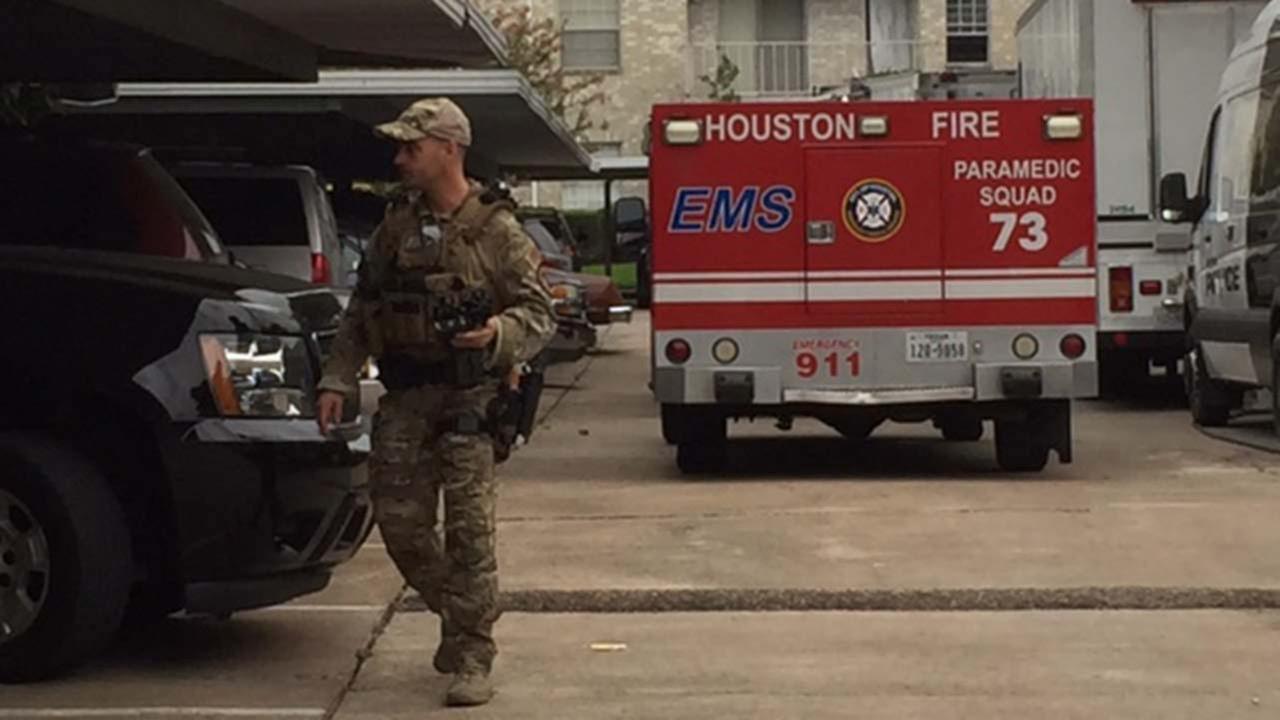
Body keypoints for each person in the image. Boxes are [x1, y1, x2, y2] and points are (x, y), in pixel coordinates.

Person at [315, 97, 555, 707]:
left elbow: (539, 314)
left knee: (471, 536)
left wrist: (497, 335)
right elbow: (361, 309)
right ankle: (461, 616)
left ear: (449, 149)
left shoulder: (497, 230)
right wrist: (337, 380)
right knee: (401, 527)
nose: (400, 158)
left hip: (472, 399)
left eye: (411, 148)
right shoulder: (395, 227)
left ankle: (473, 652)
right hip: (406, 399)